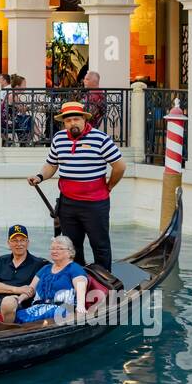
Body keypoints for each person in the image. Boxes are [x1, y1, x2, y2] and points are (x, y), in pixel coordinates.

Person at [27, 99, 126, 271]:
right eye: (68, 120)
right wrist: (40, 176)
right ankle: (77, 277)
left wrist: (109, 186)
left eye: (76, 119)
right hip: (68, 203)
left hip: (95, 204)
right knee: (71, 247)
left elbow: (119, 166)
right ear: (64, 122)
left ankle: (104, 280)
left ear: (84, 119)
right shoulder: (58, 139)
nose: (72, 123)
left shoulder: (100, 139)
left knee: (99, 244)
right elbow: (52, 165)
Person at [12, 236, 90, 323]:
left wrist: (80, 306)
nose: (54, 251)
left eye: (59, 249)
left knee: (44, 316)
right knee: (17, 315)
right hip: (38, 307)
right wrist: (19, 300)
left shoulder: (74, 268)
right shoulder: (45, 269)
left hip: (62, 309)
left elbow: (80, 288)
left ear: (69, 252)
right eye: (52, 248)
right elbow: (31, 289)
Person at [0, 225, 48, 319]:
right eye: (15, 240)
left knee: (8, 302)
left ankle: (6, 328)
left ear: (28, 242)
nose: (19, 244)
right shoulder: (1, 260)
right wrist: (18, 289)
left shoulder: (39, 264)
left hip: (17, 303)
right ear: (8, 243)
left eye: (22, 240)